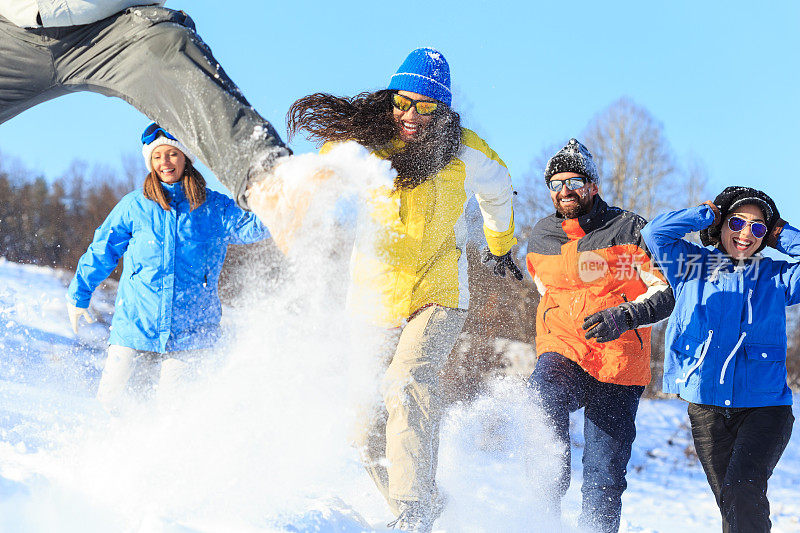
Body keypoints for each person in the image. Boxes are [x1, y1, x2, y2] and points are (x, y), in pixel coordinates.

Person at [287, 47, 522, 531]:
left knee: (408, 380)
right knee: (365, 422)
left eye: (425, 105)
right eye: (402, 102)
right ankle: (417, 504)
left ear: (444, 109)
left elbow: (499, 190)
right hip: (373, 293)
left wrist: (500, 245)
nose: (410, 115)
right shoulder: (366, 143)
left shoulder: (466, 152)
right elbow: (322, 173)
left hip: (438, 289)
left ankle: (414, 512)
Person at [0, 1, 290, 210]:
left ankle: (266, 176)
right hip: (11, 29)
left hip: (114, 27)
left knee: (169, 50)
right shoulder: (134, 209)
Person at [525, 139, 675, 532]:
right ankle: (543, 517)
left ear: (592, 185)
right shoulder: (541, 237)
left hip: (619, 366)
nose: (564, 190)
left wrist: (625, 316)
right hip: (565, 352)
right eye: (555, 184)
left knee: (604, 480)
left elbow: (666, 293)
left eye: (574, 180)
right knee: (541, 400)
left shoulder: (630, 228)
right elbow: (547, 291)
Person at [66, 123, 270, 412]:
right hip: (135, 328)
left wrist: (285, 199)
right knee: (112, 408)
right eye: (158, 156)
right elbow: (103, 250)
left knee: (172, 419)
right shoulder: (134, 206)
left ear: (186, 158)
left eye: (173, 154)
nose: (165, 162)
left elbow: (256, 225)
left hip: (192, 334)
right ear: (150, 161)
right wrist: (79, 294)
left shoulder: (213, 208)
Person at [641, 186, 795, 532]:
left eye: (758, 227)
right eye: (737, 222)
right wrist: (707, 213)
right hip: (707, 406)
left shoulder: (777, 277)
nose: (745, 234)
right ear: (723, 224)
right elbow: (654, 233)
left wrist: (782, 235)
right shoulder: (689, 265)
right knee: (733, 504)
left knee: (742, 489)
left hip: (765, 408)